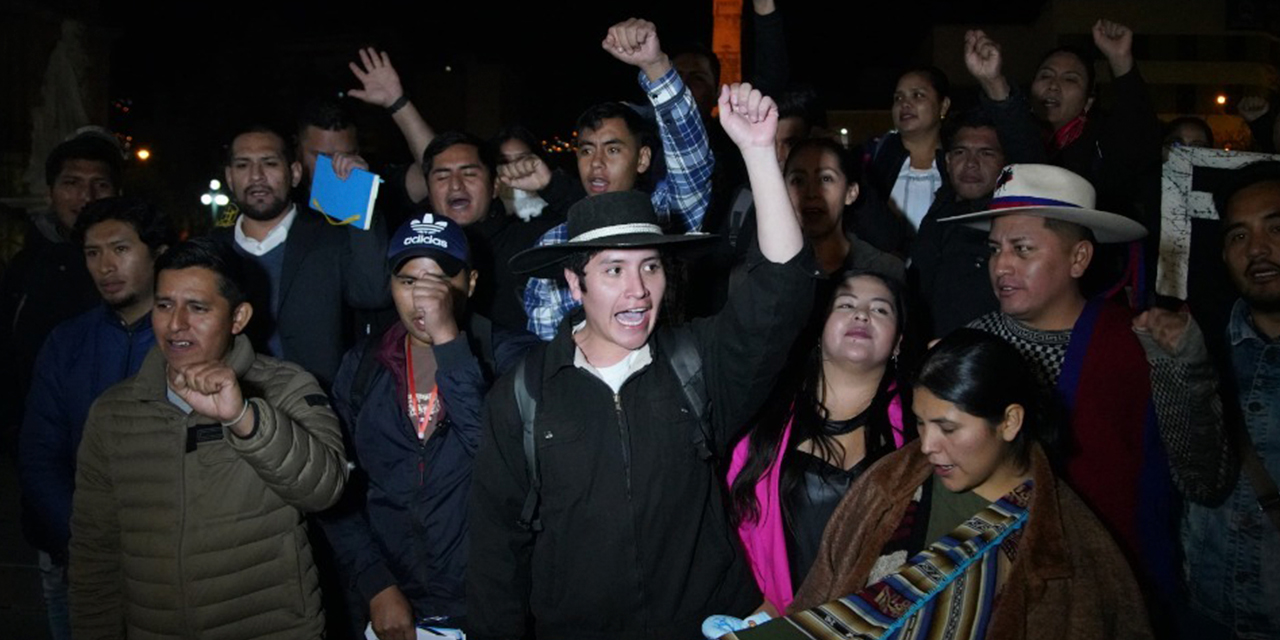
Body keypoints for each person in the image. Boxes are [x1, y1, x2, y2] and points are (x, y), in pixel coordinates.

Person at [467, 82, 816, 640]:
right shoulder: (524, 394)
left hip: (706, 624)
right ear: (573, 282)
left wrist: (758, 155)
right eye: (613, 270)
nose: (638, 292)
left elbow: (783, 289)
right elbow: (494, 552)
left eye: (650, 267)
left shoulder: (695, 364)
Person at [713, 330, 1152, 640]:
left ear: (1010, 421)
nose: (928, 446)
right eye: (921, 425)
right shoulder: (892, 481)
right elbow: (823, 596)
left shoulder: (1072, 544)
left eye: (948, 428)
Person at [942, 163, 1234, 623]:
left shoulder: (1140, 346)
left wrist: (1188, 372)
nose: (1001, 265)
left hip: (1110, 599)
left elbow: (1205, 479)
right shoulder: (968, 348)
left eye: (1022, 249)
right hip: (988, 600)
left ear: (1079, 258)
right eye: (995, 248)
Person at [69, 238, 348, 639]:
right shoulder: (114, 412)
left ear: (238, 318)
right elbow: (94, 553)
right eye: (164, 305)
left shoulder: (286, 387)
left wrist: (243, 417)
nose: (176, 323)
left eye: (197, 308)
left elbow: (325, 488)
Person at [319, 212, 537, 639]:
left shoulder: (511, 357)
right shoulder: (363, 366)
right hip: (392, 605)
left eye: (440, 281)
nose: (424, 299)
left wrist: (450, 345)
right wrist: (375, 583)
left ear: (470, 283)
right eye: (409, 281)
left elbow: (504, 463)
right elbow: (333, 486)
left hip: (490, 603)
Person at [18, 196, 173, 640]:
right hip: (81, 562)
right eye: (93, 252)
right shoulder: (66, 342)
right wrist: (84, 545)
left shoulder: (187, 341)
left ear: (157, 253)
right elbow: (40, 452)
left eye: (120, 249)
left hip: (167, 566)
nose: (106, 265)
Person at [726, 269, 910, 614]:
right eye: (846, 304)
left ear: (899, 340)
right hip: (771, 618)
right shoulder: (763, 418)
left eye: (880, 309)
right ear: (820, 326)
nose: (861, 314)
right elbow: (729, 529)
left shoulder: (919, 428)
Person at [520, 17, 714, 340]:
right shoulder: (555, 244)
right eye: (586, 151)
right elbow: (545, 351)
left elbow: (692, 159)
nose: (596, 164)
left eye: (612, 150)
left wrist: (655, 66)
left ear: (642, 159)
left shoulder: (666, 217)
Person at [1178, 160, 1280, 639]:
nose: (1257, 249)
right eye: (1238, 236)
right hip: (1207, 612)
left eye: (1276, 228)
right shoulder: (1201, 353)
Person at [212, 125, 389, 388]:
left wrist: (361, 196)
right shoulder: (212, 251)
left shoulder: (331, 237)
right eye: (243, 165)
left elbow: (373, 292)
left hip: (321, 407)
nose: (257, 176)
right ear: (229, 177)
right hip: (231, 406)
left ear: (295, 173)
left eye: (269, 163)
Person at [0, 129, 123, 445]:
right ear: (50, 192)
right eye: (72, 183)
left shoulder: (144, 266)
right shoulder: (24, 268)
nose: (87, 196)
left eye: (100, 184)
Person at [910, 111, 1008, 338]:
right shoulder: (937, 214)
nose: (971, 164)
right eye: (961, 152)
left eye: (986, 153)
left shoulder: (1010, 225)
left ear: (1005, 163)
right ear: (947, 160)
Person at [858, 67, 951, 233]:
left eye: (918, 95)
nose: (905, 104)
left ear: (943, 106)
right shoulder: (872, 165)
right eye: (898, 98)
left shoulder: (958, 166)